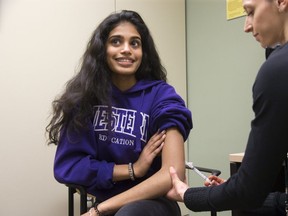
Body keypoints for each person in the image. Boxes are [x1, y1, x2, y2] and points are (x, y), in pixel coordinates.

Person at [46, 10, 192, 216]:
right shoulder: (86, 98)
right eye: (116, 42)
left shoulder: (162, 97)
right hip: (105, 203)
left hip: (151, 204)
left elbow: (172, 174)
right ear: (102, 49)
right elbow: (68, 166)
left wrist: (98, 210)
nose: (126, 50)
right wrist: (134, 169)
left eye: (135, 43)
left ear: (143, 51)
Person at [166, 0, 288, 215]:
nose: (247, 26)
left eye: (251, 12)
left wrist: (188, 195)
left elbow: (248, 192)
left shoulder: (278, 70)